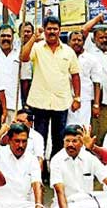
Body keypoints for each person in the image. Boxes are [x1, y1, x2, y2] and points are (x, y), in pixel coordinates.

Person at [20, 16, 82, 160]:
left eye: (55, 29)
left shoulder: (68, 51)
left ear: (60, 31)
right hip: (39, 102)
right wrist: (33, 38)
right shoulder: (37, 47)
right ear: (45, 30)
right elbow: (23, 57)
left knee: (59, 139)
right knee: (39, 139)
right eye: (49, 29)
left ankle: (55, 169)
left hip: (61, 102)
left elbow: (75, 75)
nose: (52, 32)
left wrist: (77, 97)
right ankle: (40, 172)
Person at [66, 30, 99, 131]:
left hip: (84, 101)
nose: (76, 42)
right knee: (67, 129)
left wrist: (96, 104)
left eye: (79, 40)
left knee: (83, 129)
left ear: (83, 42)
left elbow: (96, 82)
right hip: (65, 100)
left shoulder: (91, 59)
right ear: (69, 42)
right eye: (74, 40)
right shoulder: (64, 56)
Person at [0, 25, 21, 119]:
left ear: (13, 37)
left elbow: (25, 80)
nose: (6, 38)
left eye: (8, 36)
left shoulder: (19, 53)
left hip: (14, 104)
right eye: (3, 36)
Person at [18, 22, 34, 106]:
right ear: (19, 33)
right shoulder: (14, 48)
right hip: (17, 90)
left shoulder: (38, 47)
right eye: (23, 31)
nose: (26, 34)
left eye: (28, 31)